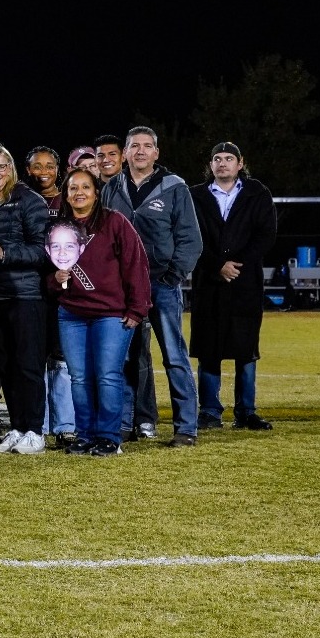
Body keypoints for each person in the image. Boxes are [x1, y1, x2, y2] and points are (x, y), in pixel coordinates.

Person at [103, 126, 203, 445]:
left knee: (173, 355)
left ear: (156, 153)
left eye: (148, 146)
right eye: (135, 146)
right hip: (122, 289)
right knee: (124, 357)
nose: (141, 151)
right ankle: (123, 423)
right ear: (126, 153)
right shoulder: (111, 187)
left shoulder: (175, 187)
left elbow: (191, 239)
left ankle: (186, 428)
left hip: (161, 285)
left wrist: (172, 276)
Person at [50, 167, 151, 456]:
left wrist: (137, 308)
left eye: (85, 187)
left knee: (107, 375)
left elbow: (136, 265)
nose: (79, 192)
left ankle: (108, 437)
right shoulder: (60, 229)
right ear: (66, 195)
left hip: (111, 314)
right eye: (73, 188)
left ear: (96, 192)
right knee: (79, 377)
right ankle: (85, 435)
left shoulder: (115, 222)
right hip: (71, 314)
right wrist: (54, 281)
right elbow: (48, 272)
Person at [190, 142, 278, 433]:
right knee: (209, 350)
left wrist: (236, 264)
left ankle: (246, 412)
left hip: (245, 283)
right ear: (211, 164)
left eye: (229, 158)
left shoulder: (257, 193)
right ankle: (209, 413)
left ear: (240, 163)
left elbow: (266, 234)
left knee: (245, 350)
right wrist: (217, 265)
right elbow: (190, 236)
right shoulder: (196, 196)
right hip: (209, 284)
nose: (223, 163)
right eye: (217, 158)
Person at [0, 144, 52, 453]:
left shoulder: (28, 201)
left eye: (0, 167)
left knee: (28, 365)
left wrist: (5, 253)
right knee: (4, 366)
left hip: (25, 295)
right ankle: (18, 427)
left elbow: (42, 249)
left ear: (11, 169)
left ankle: (35, 429)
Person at [25, 146, 76, 443]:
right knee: (35, 358)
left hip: (61, 289)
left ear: (58, 169)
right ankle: (39, 424)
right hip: (32, 287)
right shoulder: (20, 198)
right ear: (28, 169)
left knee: (62, 358)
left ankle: (65, 425)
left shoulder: (67, 199)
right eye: (37, 166)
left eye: (49, 166)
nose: (43, 172)